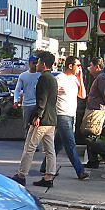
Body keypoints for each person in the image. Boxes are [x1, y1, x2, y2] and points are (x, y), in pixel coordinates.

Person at [10, 51, 58, 188]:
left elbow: (42, 100)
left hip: (41, 120)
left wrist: (37, 116)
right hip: (51, 119)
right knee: (50, 149)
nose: (36, 64)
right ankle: (49, 176)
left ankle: (21, 175)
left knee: (29, 147)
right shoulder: (52, 78)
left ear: (43, 64)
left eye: (38, 62)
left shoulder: (43, 78)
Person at [39, 56, 89, 180]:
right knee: (70, 144)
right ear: (70, 66)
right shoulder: (59, 79)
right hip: (62, 115)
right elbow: (48, 94)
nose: (79, 68)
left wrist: (80, 78)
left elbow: (82, 95)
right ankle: (80, 170)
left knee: (58, 143)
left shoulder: (74, 79)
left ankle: (44, 166)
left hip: (71, 115)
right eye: (78, 66)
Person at [13, 54, 41, 137]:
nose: (35, 65)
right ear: (29, 63)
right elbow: (17, 89)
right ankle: (27, 143)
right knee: (26, 125)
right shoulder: (23, 76)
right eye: (33, 63)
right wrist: (16, 101)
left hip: (37, 104)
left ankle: (34, 144)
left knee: (37, 126)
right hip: (26, 104)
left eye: (37, 63)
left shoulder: (40, 75)